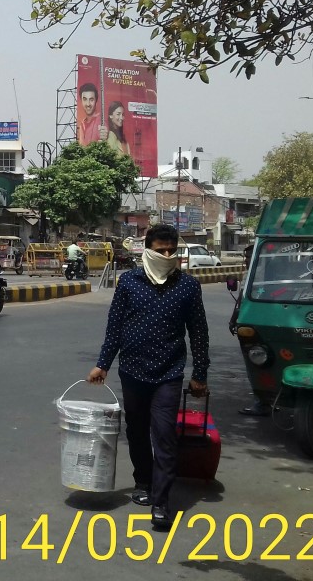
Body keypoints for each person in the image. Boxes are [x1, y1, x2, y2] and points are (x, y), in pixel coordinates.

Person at [88, 223, 209, 531]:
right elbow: (114, 327)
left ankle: (162, 502)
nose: (167, 255)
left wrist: (200, 373)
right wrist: (103, 364)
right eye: (160, 250)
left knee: (165, 435)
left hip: (169, 373)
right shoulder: (128, 282)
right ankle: (143, 480)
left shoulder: (188, 286)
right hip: (132, 371)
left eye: (172, 251)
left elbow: (199, 333)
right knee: (137, 431)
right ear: (148, 249)